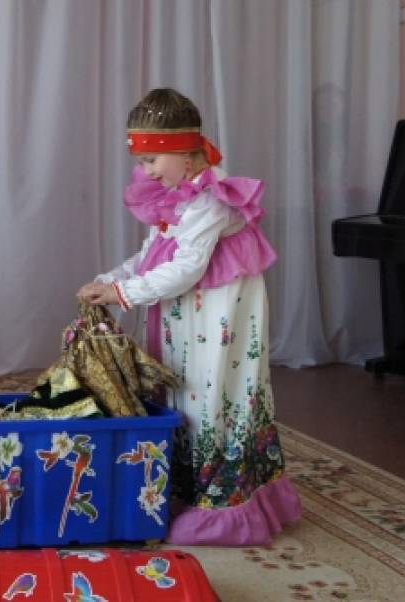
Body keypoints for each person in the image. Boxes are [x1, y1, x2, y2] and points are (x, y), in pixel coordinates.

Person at [77, 87, 301, 546]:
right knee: (183, 385)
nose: (145, 171)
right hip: (186, 313)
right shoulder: (178, 196)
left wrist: (123, 293)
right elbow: (154, 253)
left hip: (215, 312)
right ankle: (182, 483)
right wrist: (112, 279)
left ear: (183, 152)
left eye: (150, 160)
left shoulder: (210, 200)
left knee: (211, 389)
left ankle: (221, 504)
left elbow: (186, 267)